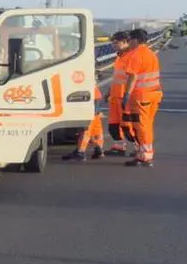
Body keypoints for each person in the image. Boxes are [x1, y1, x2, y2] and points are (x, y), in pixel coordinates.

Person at [67, 32, 130, 160]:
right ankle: (98, 148)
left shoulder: (78, 59)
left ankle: (81, 151)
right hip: (95, 94)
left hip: (87, 94)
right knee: (96, 123)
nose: (113, 45)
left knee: (87, 124)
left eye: (115, 42)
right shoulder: (118, 57)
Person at [118, 28, 164, 167]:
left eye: (130, 39)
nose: (128, 42)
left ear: (136, 40)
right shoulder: (151, 53)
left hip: (141, 96)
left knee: (140, 126)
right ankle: (147, 153)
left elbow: (132, 76)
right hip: (154, 93)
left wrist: (126, 94)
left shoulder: (136, 55)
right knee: (147, 125)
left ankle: (144, 156)